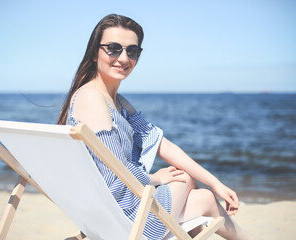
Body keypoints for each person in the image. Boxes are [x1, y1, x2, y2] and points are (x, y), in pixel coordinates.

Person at [58, 14, 255, 240]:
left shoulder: (117, 102)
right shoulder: (93, 98)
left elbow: (160, 143)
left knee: (207, 198)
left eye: (132, 51)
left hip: (111, 213)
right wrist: (155, 178)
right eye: (113, 48)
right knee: (183, 178)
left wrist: (216, 183)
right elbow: (116, 172)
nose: (123, 58)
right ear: (95, 53)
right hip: (124, 218)